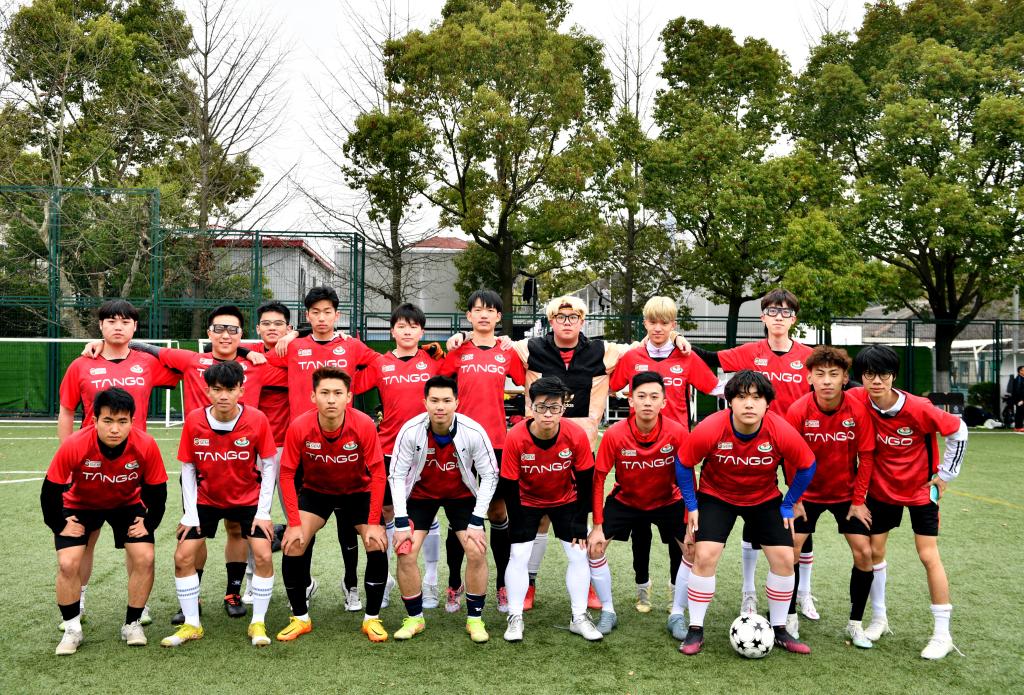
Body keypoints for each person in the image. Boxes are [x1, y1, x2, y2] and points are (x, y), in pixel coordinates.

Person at [452, 294, 690, 612]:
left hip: (581, 449)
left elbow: (645, 342)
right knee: (539, 519)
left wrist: (676, 336)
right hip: (537, 446)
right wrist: (463, 335)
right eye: (561, 317)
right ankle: (529, 584)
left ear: (582, 321)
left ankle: (588, 584)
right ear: (551, 321)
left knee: (581, 516)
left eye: (574, 317)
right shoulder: (529, 348)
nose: (567, 322)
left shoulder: (602, 351)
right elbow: (492, 339)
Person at [692, 288, 817, 618]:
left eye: (786, 312)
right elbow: (711, 358)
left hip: (793, 442)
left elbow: (833, 386)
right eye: (773, 311)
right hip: (756, 439)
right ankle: (749, 591)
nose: (779, 317)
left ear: (794, 318)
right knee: (754, 509)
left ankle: (804, 592)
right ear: (763, 317)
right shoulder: (751, 352)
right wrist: (681, 343)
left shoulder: (809, 356)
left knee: (801, 518)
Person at [57, 300, 178, 629]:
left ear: (135, 327)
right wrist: (68, 457)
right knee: (85, 538)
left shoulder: (146, 363)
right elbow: (67, 410)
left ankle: (139, 605)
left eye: (125, 321)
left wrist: (144, 347)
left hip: (134, 466)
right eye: (111, 321)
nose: (118, 327)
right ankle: (78, 599)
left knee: (135, 536)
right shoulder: (82, 364)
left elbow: (189, 367)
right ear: (100, 326)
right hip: (89, 466)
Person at [677, 370, 815, 656]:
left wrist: (788, 503)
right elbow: (683, 462)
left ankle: (779, 628)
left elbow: (807, 465)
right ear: (730, 401)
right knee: (704, 556)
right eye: (741, 397)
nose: (749, 404)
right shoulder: (711, 427)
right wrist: (692, 506)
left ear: (767, 404)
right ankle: (695, 628)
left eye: (756, 397)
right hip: (717, 496)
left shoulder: (779, 429)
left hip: (763, 498)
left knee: (785, 558)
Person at [264, 286, 381, 611]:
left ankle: (351, 584)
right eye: (315, 312)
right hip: (305, 448)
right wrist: (287, 338)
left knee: (348, 524)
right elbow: (260, 360)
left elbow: (380, 364)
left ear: (337, 315)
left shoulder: (351, 345)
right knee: (303, 526)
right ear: (307, 316)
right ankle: (303, 584)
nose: (321, 318)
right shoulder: (294, 346)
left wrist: (356, 386)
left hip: (345, 446)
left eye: (327, 312)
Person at [848, 345, 968, 660]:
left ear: (894, 376)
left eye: (883, 374)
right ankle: (879, 619)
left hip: (920, 491)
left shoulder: (918, 407)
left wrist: (946, 474)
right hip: (881, 491)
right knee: (874, 552)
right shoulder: (858, 399)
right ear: (861, 377)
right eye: (869, 374)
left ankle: (942, 635)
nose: (876, 381)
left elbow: (959, 430)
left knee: (928, 555)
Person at [609, 296, 717, 612]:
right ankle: (642, 587)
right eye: (653, 322)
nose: (658, 328)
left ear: (673, 325)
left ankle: (675, 590)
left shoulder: (686, 356)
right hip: (638, 450)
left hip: (676, 453)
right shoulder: (633, 357)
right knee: (640, 527)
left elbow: (713, 388)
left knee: (676, 531)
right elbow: (611, 384)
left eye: (665, 323)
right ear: (645, 323)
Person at [161, 361, 279, 648]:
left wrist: (264, 513)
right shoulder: (194, 420)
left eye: (230, 389)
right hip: (206, 499)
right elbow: (188, 468)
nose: (223, 396)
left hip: (247, 499)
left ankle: (258, 622)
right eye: (217, 390)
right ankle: (192, 624)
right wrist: (190, 515)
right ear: (208, 391)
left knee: (263, 555)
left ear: (241, 390)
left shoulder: (257, 419)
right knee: (182, 556)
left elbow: (269, 465)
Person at [42, 388, 168, 654]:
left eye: (122, 421)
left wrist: (149, 523)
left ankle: (132, 623)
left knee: (145, 557)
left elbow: (158, 492)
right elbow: (50, 491)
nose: (114, 429)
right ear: (94, 420)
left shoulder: (145, 444)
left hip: (126, 504)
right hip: (81, 504)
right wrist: (59, 524)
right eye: (108, 421)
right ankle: (72, 628)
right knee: (67, 563)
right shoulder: (75, 444)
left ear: (132, 421)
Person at [276, 367, 389, 642]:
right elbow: (287, 474)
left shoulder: (363, 424)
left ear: (348, 397)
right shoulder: (300, 426)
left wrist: (374, 522)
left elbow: (378, 473)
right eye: (324, 393)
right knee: (293, 543)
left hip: (357, 492)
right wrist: (293, 523)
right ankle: (300, 618)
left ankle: (372, 619)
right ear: (313, 396)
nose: (330, 399)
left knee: (376, 542)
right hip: (317, 492)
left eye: (338, 393)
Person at [389, 375, 499, 643]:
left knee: (476, 550)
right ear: (425, 402)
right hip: (421, 496)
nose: (440, 406)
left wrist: (477, 520)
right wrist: (401, 522)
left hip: (461, 495)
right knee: (405, 552)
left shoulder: (473, 431)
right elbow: (397, 475)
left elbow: (490, 475)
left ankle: (475, 620)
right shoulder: (410, 430)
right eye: (434, 400)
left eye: (447, 400)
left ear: (456, 402)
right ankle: (414, 618)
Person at [352, 302, 445, 609]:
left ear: (422, 331)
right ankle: (390, 578)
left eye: (413, 326)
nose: (407, 331)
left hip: (429, 447)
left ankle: (430, 580)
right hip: (389, 448)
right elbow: (352, 384)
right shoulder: (381, 364)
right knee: (388, 512)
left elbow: (454, 379)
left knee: (428, 513)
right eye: (401, 326)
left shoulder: (433, 362)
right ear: (392, 331)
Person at [783, 346, 877, 647]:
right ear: (809, 377)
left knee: (864, 553)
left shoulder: (857, 410)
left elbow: (867, 456)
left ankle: (855, 624)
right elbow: (789, 457)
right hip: (807, 494)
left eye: (834, 374)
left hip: (845, 495)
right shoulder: (798, 410)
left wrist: (858, 500)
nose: (826, 380)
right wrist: (795, 498)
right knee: (790, 550)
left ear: (845, 378)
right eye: (820, 374)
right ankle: (789, 617)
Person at [587, 372, 692, 637]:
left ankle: (677, 614)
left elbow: (688, 476)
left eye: (654, 397)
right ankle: (608, 611)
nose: (647, 402)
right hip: (627, 499)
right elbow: (599, 479)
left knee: (691, 550)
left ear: (664, 402)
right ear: (630, 400)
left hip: (668, 500)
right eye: (641, 396)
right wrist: (597, 525)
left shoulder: (677, 433)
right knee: (594, 548)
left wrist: (691, 516)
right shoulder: (615, 434)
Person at [440, 290, 525, 613]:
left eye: (491, 310)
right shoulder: (459, 349)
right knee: (458, 516)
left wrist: (515, 346)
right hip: (460, 443)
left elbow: (526, 377)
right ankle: (454, 583)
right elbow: (439, 380)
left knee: (498, 513)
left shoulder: (507, 351)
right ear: (469, 316)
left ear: (499, 317)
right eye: (478, 310)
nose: (484, 315)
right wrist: (454, 341)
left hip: (497, 444)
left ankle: (502, 585)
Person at [500, 377, 601, 642]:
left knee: (579, 554)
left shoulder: (575, 434)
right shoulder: (516, 436)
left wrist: (580, 519)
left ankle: (578, 617)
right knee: (518, 555)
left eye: (554, 407)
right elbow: (508, 483)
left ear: (563, 408)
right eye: (541, 407)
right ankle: (514, 616)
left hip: (566, 500)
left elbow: (586, 480)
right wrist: (516, 519)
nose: (547, 414)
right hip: (527, 501)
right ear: (530, 407)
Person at [1008, 365, 1024, 431]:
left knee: (1020, 412)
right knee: (1020, 413)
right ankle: (1019, 427)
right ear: (1020, 371)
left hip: (1020, 399)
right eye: (1023, 370)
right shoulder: (1019, 379)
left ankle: (1018, 427)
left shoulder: (1021, 378)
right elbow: (1018, 391)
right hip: (1020, 399)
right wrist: (1021, 400)